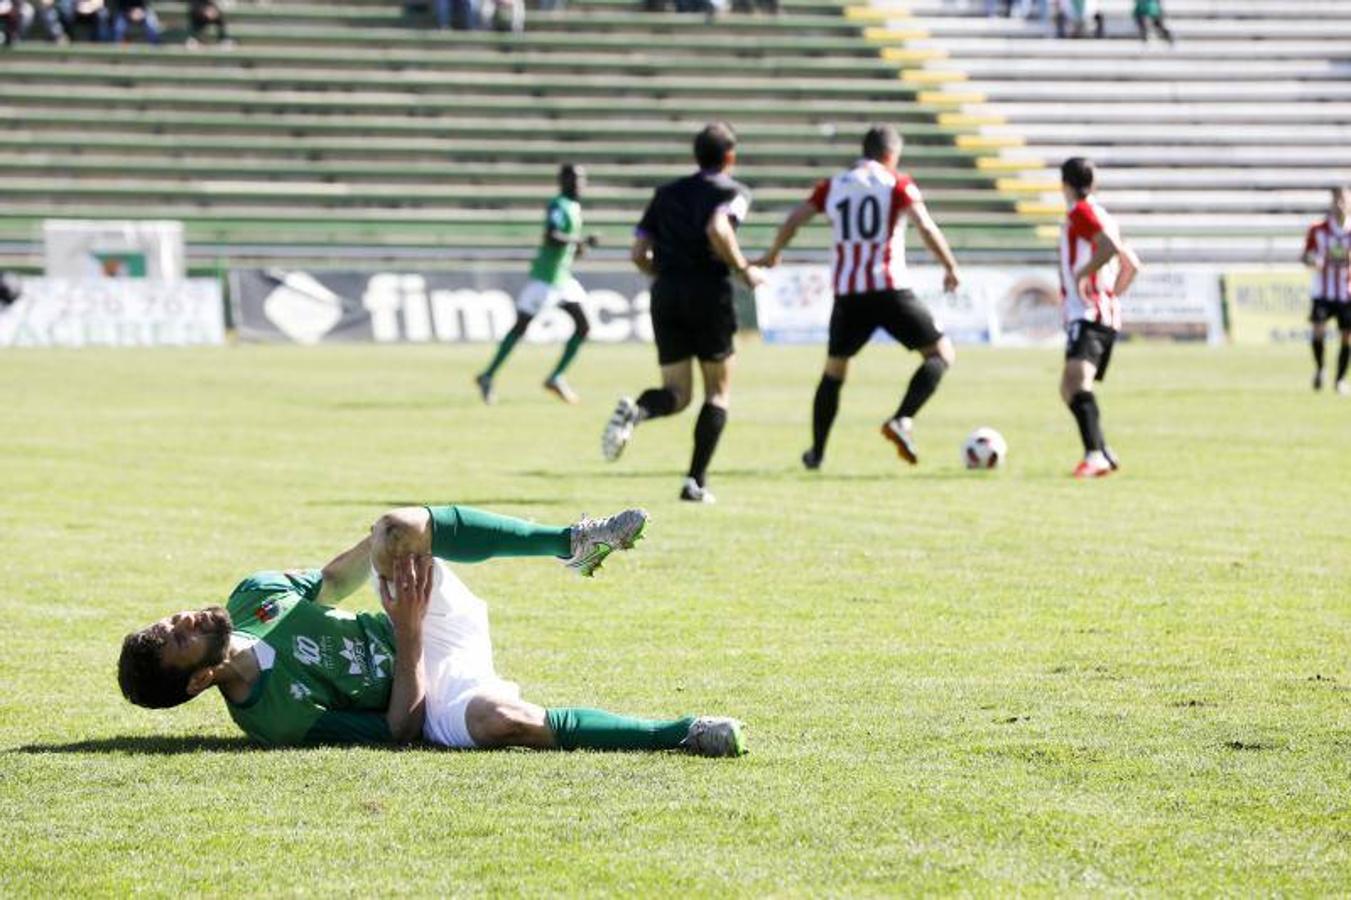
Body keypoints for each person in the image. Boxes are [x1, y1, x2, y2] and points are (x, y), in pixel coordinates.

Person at [117, 503, 748, 756]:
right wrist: (409, 634)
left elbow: (335, 579)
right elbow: (401, 729)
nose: (188, 619)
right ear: (197, 680)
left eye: (173, 620)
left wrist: (388, 544)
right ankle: (684, 732)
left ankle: (572, 543)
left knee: (398, 527)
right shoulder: (274, 720)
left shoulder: (255, 596)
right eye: (180, 638)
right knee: (502, 722)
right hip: (424, 672)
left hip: (425, 613)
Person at [757, 125, 961, 470]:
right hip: (889, 287)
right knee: (940, 353)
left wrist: (774, 252)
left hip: (849, 293)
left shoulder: (833, 185)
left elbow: (795, 219)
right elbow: (925, 226)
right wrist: (950, 266)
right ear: (891, 154)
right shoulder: (898, 183)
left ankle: (816, 452)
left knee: (834, 370)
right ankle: (902, 418)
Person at [603, 122, 764, 504]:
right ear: (730, 157)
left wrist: (665, 277)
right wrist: (743, 269)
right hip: (709, 292)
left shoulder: (666, 194)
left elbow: (638, 253)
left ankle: (637, 410)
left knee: (677, 393)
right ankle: (695, 482)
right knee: (717, 393)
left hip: (667, 292)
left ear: (696, 155)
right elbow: (719, 228)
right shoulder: (735, 192)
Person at [477, 164, 599, 406]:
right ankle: (487, 375)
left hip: (563, 278)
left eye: (582, 179)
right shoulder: (558, 205)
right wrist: (579, 240)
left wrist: (579, 247)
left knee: (584, 326)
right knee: (521, 327)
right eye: (575, 179)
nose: (580, 184)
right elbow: (552, 236)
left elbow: (567, 247)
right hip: (545, 279)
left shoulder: (574, 207)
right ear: (563, 181)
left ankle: (556, 377)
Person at [1057, 157, 1141, 478]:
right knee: (1069, 387)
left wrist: (1082, 275)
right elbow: (1131, 265)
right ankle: (1102, 450)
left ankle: (1095, 455)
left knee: (1077, 381)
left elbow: (1107, 248)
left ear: (1064, 184)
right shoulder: (1103, 215)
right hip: (1100, 313)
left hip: (1088, 313)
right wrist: (1112, 296)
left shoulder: (1080, 212)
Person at [1303, 186, 1351, 394]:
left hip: (1346, 292)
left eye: (1344, 201)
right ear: (1331, 204)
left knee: (1347, 336)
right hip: (1322, 292)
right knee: (1318, 331)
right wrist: (1315, 261)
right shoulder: (1318, 229)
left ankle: (1339, 380)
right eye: (1336, 201)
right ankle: (1320, 368)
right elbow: (1306, 256)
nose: (1340, 205)